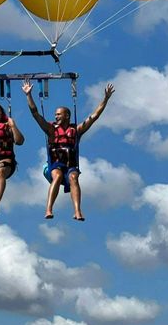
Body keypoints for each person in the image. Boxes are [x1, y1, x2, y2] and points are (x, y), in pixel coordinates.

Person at [22, 80, 115, 221]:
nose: (56, 116)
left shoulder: (76, 130)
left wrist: (105, 99)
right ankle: (48, 209)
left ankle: (77, 211)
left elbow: (94, 116)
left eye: (59, 114)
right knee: (58, 176)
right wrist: (29, 95)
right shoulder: (51, 130)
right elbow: (35, 114)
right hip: (55, 165)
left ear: (67, 116)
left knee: (73, 178)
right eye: (55, 114)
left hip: (71, 165)